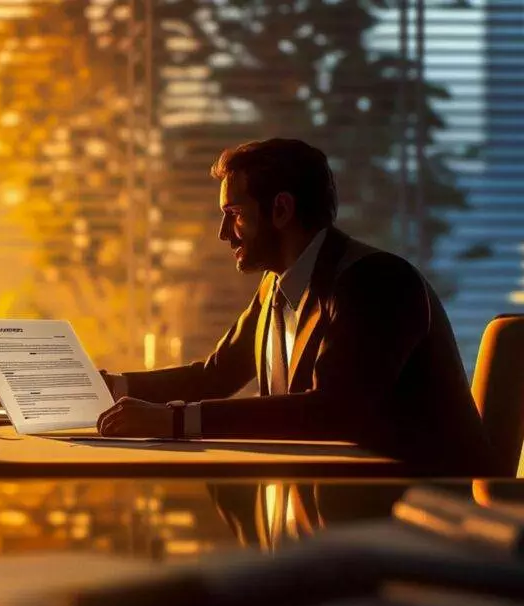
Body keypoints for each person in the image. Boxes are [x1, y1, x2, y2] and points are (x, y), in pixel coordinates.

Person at [96, 138, 496, 476]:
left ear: (282, 210)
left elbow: (334, 412)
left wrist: (175, 421)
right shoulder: (277, 285)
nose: (223, 234)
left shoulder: (377, 282)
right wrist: (111, 386)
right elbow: (215, 375)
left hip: (423, 519)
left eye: (233, 215)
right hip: (336, 512)